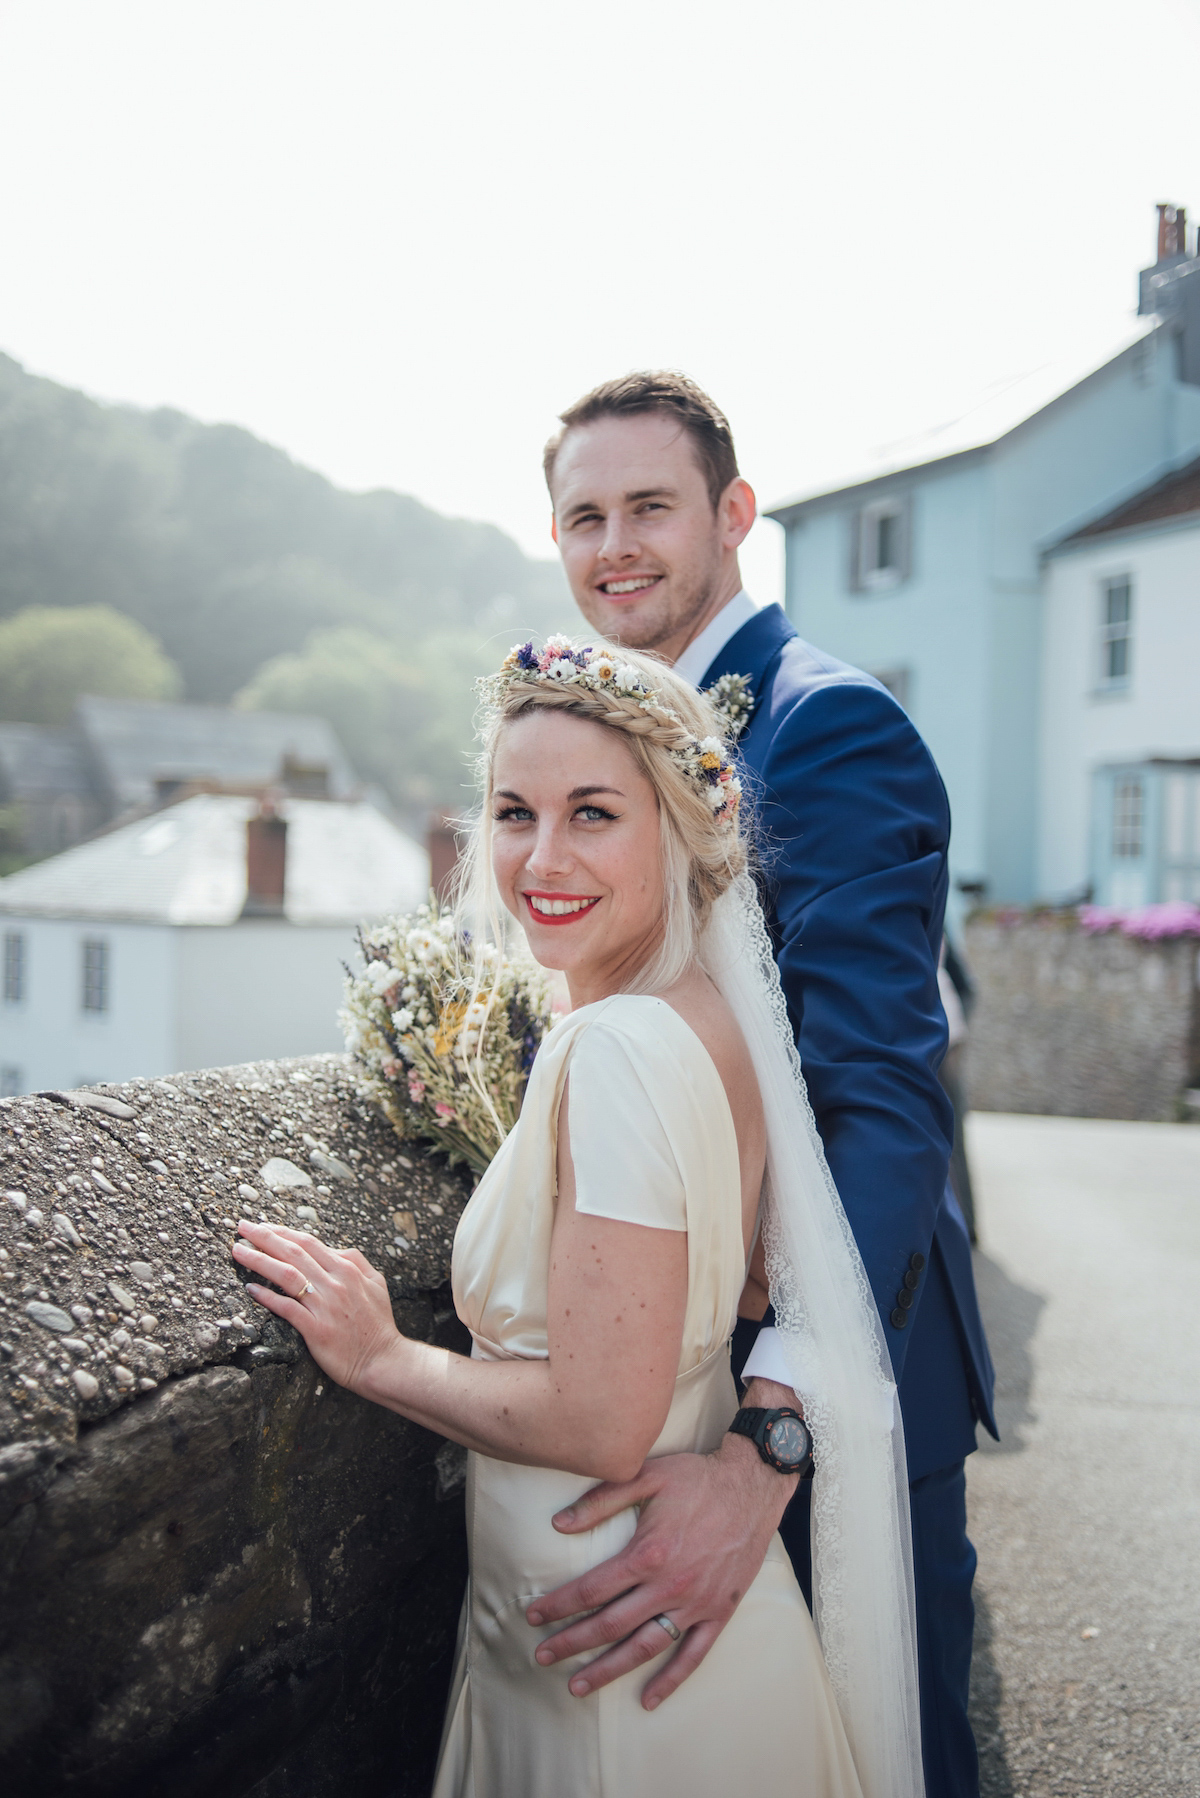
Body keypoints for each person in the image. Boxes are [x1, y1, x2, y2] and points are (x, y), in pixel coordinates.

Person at [232, 637, 924, 1797]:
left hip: (603, 1642)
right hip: (679, 1626)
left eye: (592, 813)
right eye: (514, 812)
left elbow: (604, 1423)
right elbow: (749, 1288)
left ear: (677, 828)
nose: (540, 858)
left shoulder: (617, 1047)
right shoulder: (715, 1020)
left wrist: (380, 1355)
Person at [530, 373, 997, 1798]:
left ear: (733, 514)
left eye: (649, 506)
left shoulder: (827, 726)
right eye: (583, 515)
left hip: (825, 1380)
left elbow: (881, 1099)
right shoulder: (615, 744)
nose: (614, 544)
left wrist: (774, 1433)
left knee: (883, 1747)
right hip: (666, 1371)